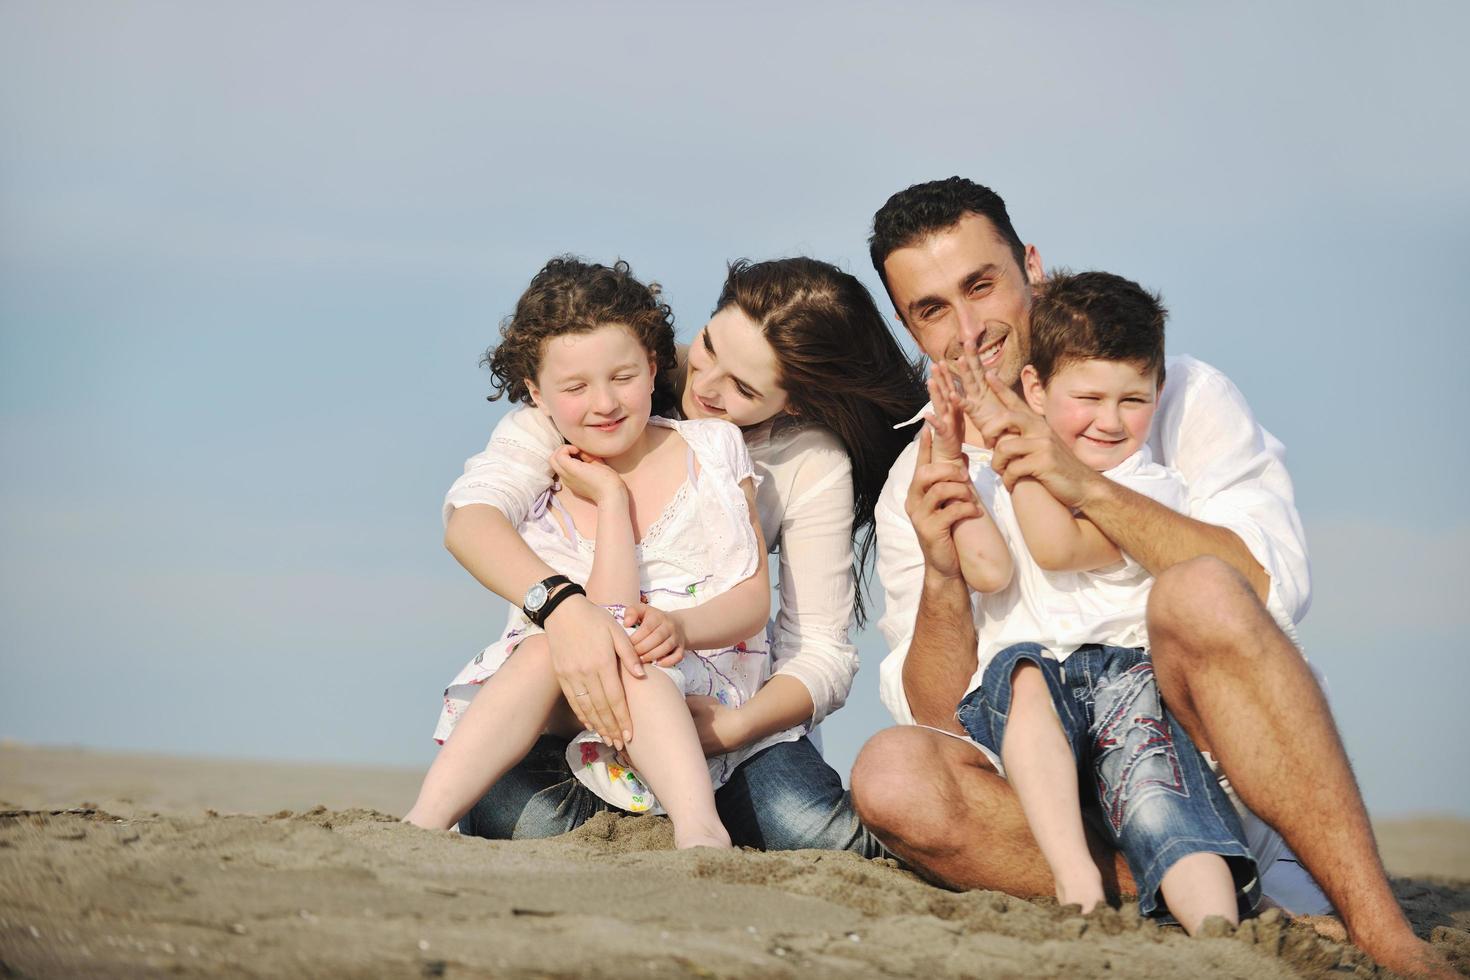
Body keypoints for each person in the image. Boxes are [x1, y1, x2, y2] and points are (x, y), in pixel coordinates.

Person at [851, 177, 1452, 977]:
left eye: (981, 285)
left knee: (1197, 589)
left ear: (1031, 265)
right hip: (1053, 803)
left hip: (1210, 756)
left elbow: (1270, 585)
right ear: (908, 326)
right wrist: (941, 570)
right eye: (931, 310)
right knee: (892, 772)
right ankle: (1197, 898)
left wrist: (1086, 484)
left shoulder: (1174, 394)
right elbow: (938, 716)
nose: (968, 329)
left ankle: (1381, 929)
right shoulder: (922, 473)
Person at [438, 256, 926, 853]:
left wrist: (734, 727)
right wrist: (564, 612)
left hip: (718, 715)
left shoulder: (803, 462)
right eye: (710, 346)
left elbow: (820, 649)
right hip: (574, 709)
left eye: (745, 388)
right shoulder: (595, 395)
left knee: (807, 828)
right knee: (515, 817)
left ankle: (696, 817)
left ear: (795, 401)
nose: (705, 384)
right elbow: (472, 517)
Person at [929, 270, 1258, 932]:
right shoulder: (1001, 479)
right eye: (1088, 398)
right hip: (1037, 675)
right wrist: (955, 479)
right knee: (1022, 678)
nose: (1110, 421)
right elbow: (990, 572)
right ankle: (1075, 877)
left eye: (1133, 399)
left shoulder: (1150, 488)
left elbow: (1056, 546)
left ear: (1158, 394)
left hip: (1128, 673)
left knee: (1158, 795)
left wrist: (1010, 441)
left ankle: (1218, 929)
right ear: (1037, 390)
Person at [405, 257, 770, 848]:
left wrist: (680, 625)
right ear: (536, 394)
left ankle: (700, 829)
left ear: (654, 367)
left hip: (681, 686)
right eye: (574, 387)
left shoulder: (713, 448)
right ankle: (424, 819)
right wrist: (609, 498)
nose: (603, 403)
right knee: (544, 649)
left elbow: (753, 597)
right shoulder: (541, 456)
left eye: (622, 376)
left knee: (633, 660)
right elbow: (596, 604)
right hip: (564, 687)